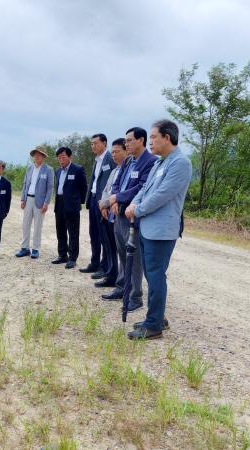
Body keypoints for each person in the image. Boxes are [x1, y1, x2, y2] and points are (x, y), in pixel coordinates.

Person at [125, 120, 192, 340]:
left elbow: (163, 194)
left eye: (154, 137)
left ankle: (153, 325)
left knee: (155, 276)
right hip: (148, 227)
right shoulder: (159, 163)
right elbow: (145, 188)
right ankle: (157, 315)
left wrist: (138, 209)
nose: (150, 141)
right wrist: (133, 204)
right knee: (151, 274)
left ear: (167, 137)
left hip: (162, 230)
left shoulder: (180, 163)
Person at [108, 127, 158, 312]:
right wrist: (114, 198)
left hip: (133, 217)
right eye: (126, 141)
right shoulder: (128, 161)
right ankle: (122, 288)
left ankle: (135, 297)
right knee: (122, 253)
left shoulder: (150, 162)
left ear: (141, 140)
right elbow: (117, 183)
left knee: (134, 258)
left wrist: (117, 198)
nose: (126, 144)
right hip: (119, 214)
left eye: (129, 141)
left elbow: (141, 188)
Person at [80, 134, 117, 281]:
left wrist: (108, 203)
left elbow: (114, 181)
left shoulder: (110, 158)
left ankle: (105, 266)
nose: (93, 146)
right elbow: (94, 181)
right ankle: (94, 263)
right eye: (91, 144)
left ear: (104, 143)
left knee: (105, 236)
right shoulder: (97, 160)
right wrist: (88, 199)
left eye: (95, 143)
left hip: (104, 202)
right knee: (93, 234)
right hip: (95, 200)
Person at [98, 138, 127, 298]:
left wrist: (108, 204)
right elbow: (106, 190)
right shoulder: (115, 170)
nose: (114, 155)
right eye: (113, 151)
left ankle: (122, 284)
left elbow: (119, 193)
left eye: (117, 151)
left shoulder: (127, 170)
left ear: (126, 151)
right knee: (109, 247)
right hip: (107, 213)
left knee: (121, 251)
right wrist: (103, 205)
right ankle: (111, 275)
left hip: (118, 214)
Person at [15, 146, 54, 259]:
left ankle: (35, 249)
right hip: (28, 199)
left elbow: (50, 188)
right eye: (35, 154)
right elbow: (25, 184)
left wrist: (46, 203)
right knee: (25, 224)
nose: (36, 156)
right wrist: (23, 199)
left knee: (38, 226)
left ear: (43, 156)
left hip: (40, 201)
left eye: (39, 154)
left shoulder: (48, 170)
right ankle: (24, 248)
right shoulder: (29, 168)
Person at [52, 147, 87, 269]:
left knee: (73, 232)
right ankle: (62, 255)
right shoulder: (57, 171)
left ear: (70, 157)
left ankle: (72, 258)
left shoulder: (77, 169)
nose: (61, 159)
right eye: (59, 157)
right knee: (60, 230)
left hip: (72, 205)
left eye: (63, 156)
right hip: (59, 204)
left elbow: (83, 188)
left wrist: (79, 202)